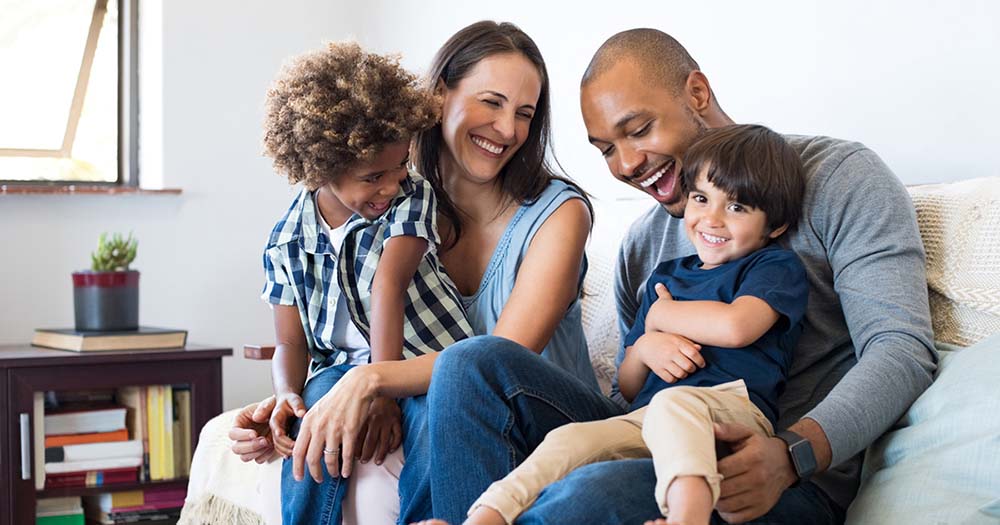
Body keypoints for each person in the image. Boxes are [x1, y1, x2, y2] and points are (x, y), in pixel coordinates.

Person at [425, 28, 937, 524]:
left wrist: (790, 455)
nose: (626, 164)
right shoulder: (643, 246)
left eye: (639, 129)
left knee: (590, 494)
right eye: (605, 148)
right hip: (654, 441)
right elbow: (633, 393)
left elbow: (901, 348)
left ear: (696, 93)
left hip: (777, 476)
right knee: (471, 362)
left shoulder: (838, 177)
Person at [228, 21, 603, 524]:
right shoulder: (384, 200)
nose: (510, 130)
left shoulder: (559, 213)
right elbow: (343, 332)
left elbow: (494, 362)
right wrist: (291, 403)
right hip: (424, 395)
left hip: (540, 418)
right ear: (439, 94)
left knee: (458, 380)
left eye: (525, 114)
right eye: (491, 102)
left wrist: (370, 381)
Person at [421, 124, 809, 525]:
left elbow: (737, 328)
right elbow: (627, 385)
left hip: (729, 414)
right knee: (569, 439)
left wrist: (661, 317)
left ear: (775, 226)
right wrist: (644, 348)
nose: (712, 219)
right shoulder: (666, 276)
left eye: (737, 207)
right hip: (646, 419)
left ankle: (687, 516)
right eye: (700, 198)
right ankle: (482, 518)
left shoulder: (772, 266)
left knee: (675, 404)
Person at [253, 41, 476, 524]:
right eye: (374, 175)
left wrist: (381, 390)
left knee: (434, 422)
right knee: (314, 414)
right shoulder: (285, 241)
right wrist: (288, 392)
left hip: (424, 359)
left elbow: (388, 286)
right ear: (322, 168)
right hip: (339, 368)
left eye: (400, 166)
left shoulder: (411, 197)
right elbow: (289, 341)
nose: (391, 185)